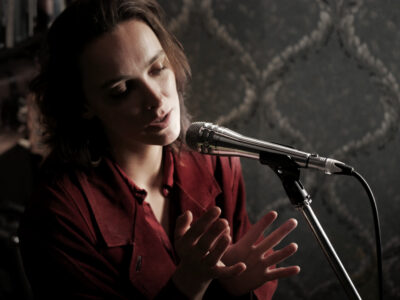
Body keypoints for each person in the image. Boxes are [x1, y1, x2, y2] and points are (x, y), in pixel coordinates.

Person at [18, 0, 301, 299]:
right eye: (122, 90)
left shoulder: (215, 160)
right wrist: (189, 284)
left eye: (158, 68)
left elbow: (239, 278)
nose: (156, 98)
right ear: (83, 105)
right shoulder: (59, 215)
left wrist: (238, 287)